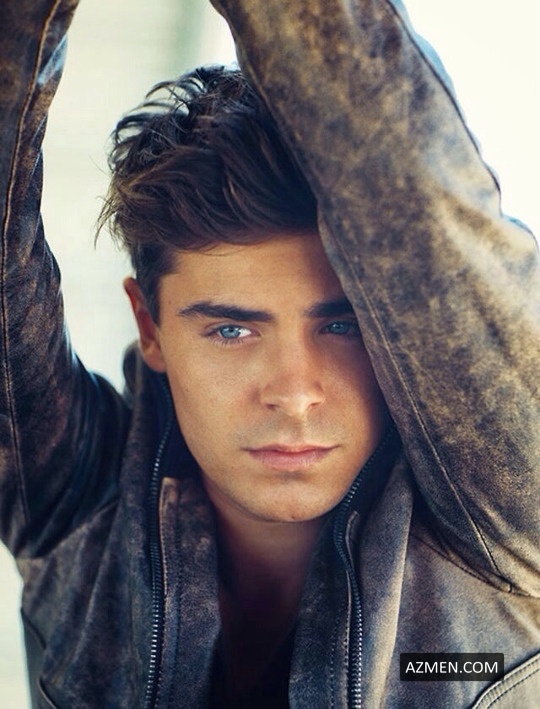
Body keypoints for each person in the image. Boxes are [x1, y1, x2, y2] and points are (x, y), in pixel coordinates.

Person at [1, 1, 538, 708]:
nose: (294, 392)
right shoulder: (76, 508)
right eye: (232, 330)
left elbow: (420, 201)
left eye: (342, 326)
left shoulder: (498, 515)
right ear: (150, 327)